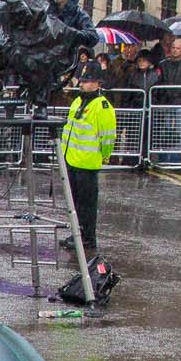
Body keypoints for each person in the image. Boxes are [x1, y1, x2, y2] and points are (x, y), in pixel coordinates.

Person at [59, 61, 114, 255]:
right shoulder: (78, 101)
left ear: (98, 83)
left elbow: (108, 136)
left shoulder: (103, 106)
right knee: (74, 203)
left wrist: (105, 156)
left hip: (87, 163)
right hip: (71, 159)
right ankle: (76, 235)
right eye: (82, 80)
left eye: (88, 81)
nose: (83, 84)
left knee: (86, 205)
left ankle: (87, 239)